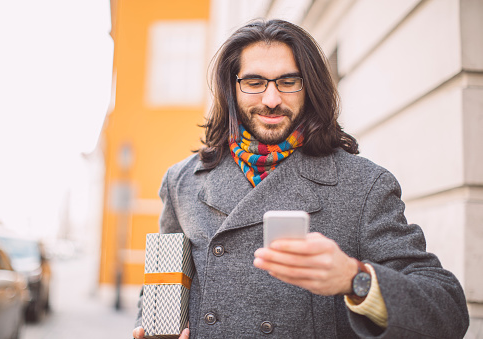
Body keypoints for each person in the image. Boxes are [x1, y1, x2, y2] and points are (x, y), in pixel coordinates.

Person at [133, 19, 469, 338]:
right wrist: (152, 326)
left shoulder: (364, 185)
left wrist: (356, 279)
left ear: (310, 87)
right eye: (254, 82)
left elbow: (448, 311)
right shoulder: (182, 181)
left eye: (288, 81)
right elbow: (165, 280)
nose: (271, 99)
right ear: (231, 88)